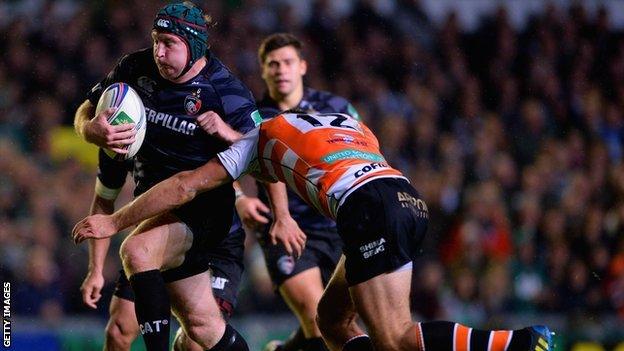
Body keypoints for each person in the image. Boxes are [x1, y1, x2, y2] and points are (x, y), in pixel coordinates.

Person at [73, 111, 554, 351]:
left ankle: (519, 342)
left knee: (393, 337)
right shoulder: (337, 120)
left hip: (367, 209)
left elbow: (184, 186)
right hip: (404, 197)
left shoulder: (252, 142)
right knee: (332, 320)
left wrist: (115, 222)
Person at [73, 2, 264, 350]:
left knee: (138, 250)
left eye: (170, 44)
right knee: (199, 329)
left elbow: (265, 153)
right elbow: (87, 110)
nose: (159, 52)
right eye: (156, 40)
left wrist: (231, 135)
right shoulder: (134, 69)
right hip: (157, 213)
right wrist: (90, 130)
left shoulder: (226, 93)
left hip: (208, 216)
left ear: (194, 46)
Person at [234, 33, 361, 351]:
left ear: (302, 66)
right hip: (285, 229)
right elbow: (222, 164)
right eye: (272, 64)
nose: (280, 70)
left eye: (288, 62)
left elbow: (362, 153)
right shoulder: (253, 115)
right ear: (263, 71)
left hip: (336, 225)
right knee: (316, 314)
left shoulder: (335, 107)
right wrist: (239, 198)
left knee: (339, 321)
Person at [79, 148, 244, 351]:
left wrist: (253, 202)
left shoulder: (184, 124)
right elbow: (104, 201)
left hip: (215, 238)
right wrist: (95, 270)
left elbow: (233, 155)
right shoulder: (117, 140)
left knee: (195, 342)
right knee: (118, 330)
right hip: (156, 236)